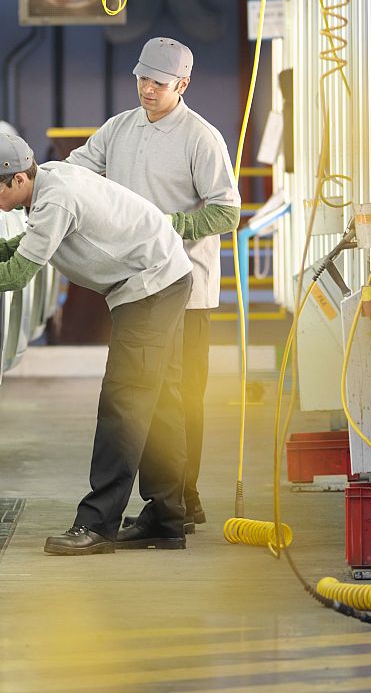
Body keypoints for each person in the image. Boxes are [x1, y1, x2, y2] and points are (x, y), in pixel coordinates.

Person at [0, 133, 193, 555]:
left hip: (150, 286)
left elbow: (18, 274)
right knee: (158, 403)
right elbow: (36, 240)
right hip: (166, 276)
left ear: (15, 179)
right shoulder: (49, 180)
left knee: (124, 405)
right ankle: (166, 519)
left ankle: (98, 525)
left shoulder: (57, 198)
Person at [66, 37, 240, 533]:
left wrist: (164, 227)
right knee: (157, 396)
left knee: (182, 397)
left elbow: (227, 211)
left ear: (182, 85)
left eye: (159, 82)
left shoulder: (199, 138)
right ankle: (175, 506)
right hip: (137, 286)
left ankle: (184, 497)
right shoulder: (119, 128)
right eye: (142, 78)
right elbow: (80, 171)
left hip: (188, 289)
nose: (147, 88)